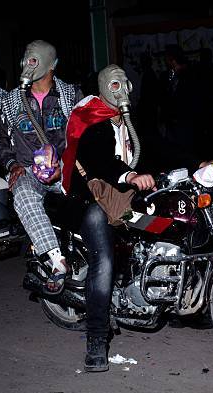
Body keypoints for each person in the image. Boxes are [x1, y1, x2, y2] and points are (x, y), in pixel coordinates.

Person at [62, 64, 156, 372]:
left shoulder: (129, 121)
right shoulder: (91, 120)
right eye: (114, 85)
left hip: (122, 200)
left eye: (124, 84)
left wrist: (200, 160)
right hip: (91, 201)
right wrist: (129, 174)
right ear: (104, 88)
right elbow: (99, 159)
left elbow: (158, 144)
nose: (121, 90)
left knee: (165, 225)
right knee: (103, 261)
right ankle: (96, 340)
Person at [0, 40, 82, 294]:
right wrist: (13, 163)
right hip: (30, 171)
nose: (29, 63)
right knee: (22, 192)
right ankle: (56, 261)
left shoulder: (71, 96)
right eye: (27, 58)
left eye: (35, 58)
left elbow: (86, 136)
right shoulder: (11, 101)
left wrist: (65, 164)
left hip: (66, 171)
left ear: (52, 64)